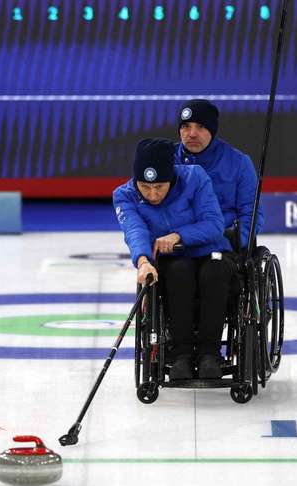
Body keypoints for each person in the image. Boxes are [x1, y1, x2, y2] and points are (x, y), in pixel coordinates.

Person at [113, 138, 237, 381]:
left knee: (214, 272)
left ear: (171, 178)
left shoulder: (195, 178)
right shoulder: (124, 196)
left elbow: (214, 224)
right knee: (179, 272)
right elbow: (135, 231)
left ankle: (209, 354)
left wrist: (180, 235)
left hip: (211, 252)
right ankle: (181, 355)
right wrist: (143, 261)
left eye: (159, 186)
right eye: (145, 187)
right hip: (174, 260)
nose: (152, 194)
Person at [175, 99, 263, 250]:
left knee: (215, 271)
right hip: (179, 245)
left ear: (212, 130)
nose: (192, 134)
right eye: (186, 126)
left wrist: (231, 243)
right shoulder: (165, 160)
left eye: (201, 127)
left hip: (222, 245)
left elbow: (251, 214)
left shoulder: (239, 163)